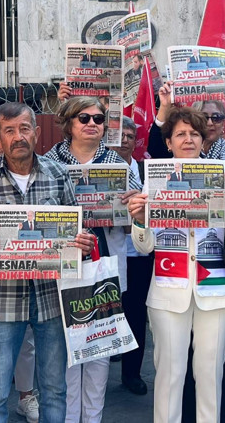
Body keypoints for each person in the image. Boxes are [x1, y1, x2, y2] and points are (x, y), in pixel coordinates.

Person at [0, 102, 95, 423]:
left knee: (54, 389)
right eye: (9, 131)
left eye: (24, 129)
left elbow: (79, 228)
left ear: (37, 133)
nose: (18, 137)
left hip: (51, 298)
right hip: (0, 301)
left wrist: (83, 242)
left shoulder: (57, 174)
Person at [127, 106, 225, 423]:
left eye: (194, 133)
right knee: (169, 375)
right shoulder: (154, 182)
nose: (188, 139)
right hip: (168, 290)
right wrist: (139, 221)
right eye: (180, 133)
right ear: (168, 143)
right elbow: (145, 246)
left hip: (215, 291)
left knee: (210, 374)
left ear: (203, 139)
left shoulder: (222, 178)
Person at [44, 97, 140, 423]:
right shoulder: (49, 162)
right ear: (68, 122)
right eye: (83, 118)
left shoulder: (119, 163)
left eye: (98, 119)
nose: (92, 124)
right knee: (68, 353)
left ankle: (93, 419)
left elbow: (136, 222)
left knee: (101, 349)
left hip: (106, 263)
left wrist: (133, 206)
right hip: (64, 265)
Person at [114, 118, 153, 395]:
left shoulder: (144, 170)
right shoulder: (100, 169)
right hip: (111, 250)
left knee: (136, 314)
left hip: (139, 253)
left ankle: (132, 373)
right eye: (120, 135)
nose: (125, 140)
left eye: (130, 135)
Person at [147, 82, 225, 173]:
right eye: (204, 117)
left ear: (223, 123)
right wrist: (165, 106)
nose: (210, 123)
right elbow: (156, 149)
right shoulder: (183, 150)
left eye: (216, 118)